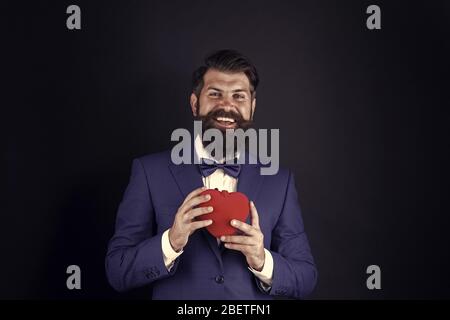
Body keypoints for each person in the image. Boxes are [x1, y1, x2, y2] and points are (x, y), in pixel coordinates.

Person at [105, 49, 317, 299]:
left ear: (252, 107)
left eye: (239, 96)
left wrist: (262, 261)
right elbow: (117, 271)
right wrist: (170, 242)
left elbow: (306, 277)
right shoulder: (148, 172)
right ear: (195, 103)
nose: (227, 105)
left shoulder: (280, 181)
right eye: (215, 94)